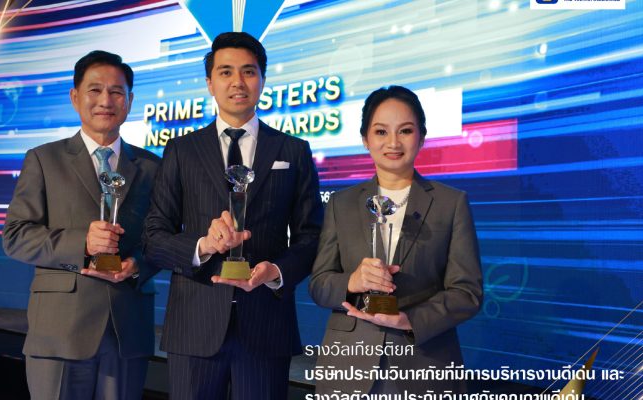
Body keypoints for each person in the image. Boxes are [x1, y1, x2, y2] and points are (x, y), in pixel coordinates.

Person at [143, 32, 323, 399]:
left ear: (263, 79)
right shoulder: (181, 150)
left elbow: (312, 235)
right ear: (210, 83)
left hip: (266, 324)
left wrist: (276, 272)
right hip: (195, 325)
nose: (237, 82)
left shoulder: (293, 150)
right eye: (225, 72)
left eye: (248, 72)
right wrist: (203, 246)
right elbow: (154, 236)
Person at [2, 50, 160, 400]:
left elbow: (162, 239)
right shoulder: (44, 159)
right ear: (75, 97)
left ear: (130, 101)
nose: (106, 100)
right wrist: (82, 243)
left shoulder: (153, 167)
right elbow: (15, 237)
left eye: (116, 92)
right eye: (95, 90)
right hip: (59, 330)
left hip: (127, 329)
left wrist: (138, 265)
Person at [309, 85, 483, 395]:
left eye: (405, 130)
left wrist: (410, 320)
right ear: (365, 139)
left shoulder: (451, 203)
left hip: (422, 365)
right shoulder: (341, 203)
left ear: (422, 137)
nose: (393, 142)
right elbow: (320, 285)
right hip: (348, 365)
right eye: (381, 131)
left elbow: (466, 292)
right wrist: (352, 281)